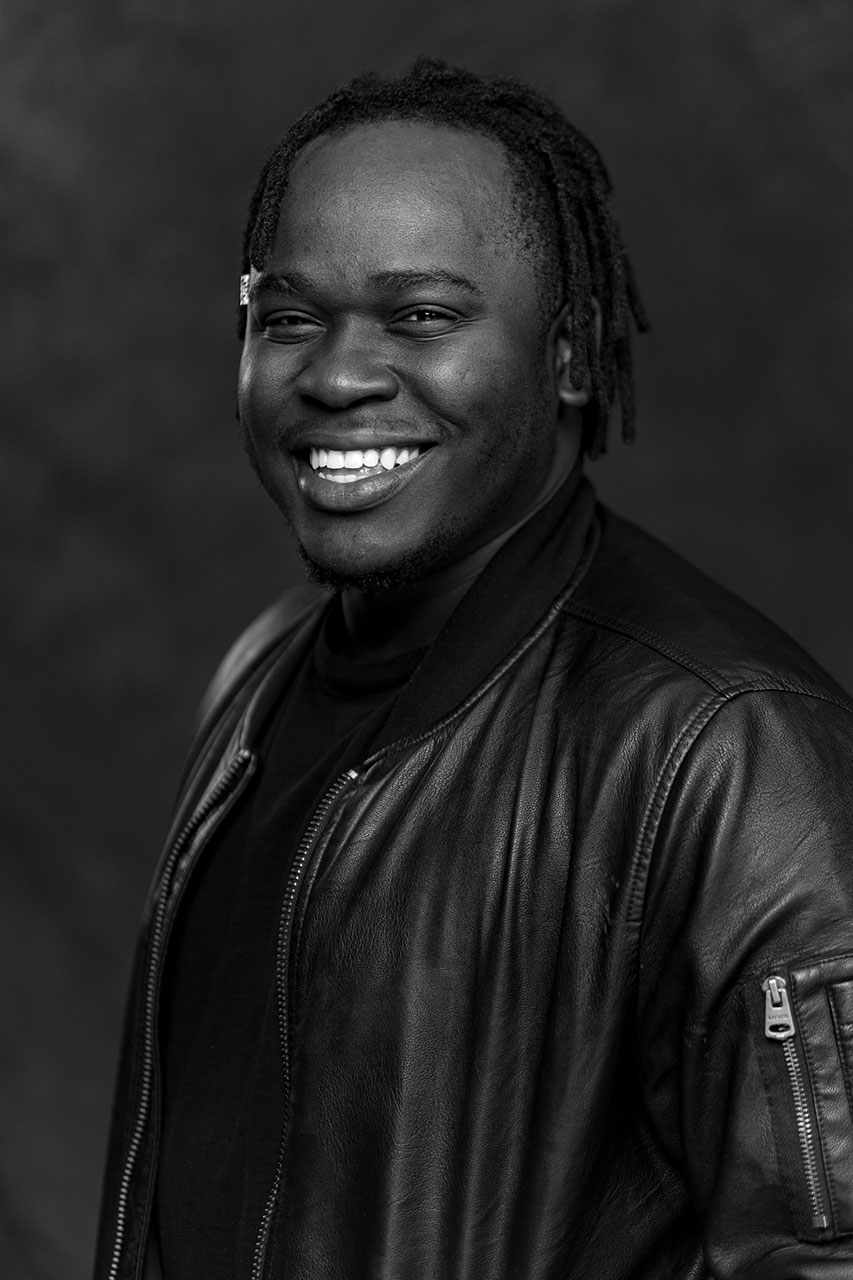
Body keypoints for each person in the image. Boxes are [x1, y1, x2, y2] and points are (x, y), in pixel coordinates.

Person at [95, 58, 853, 1280]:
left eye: (423, 317)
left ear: (566, 357)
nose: (338, 375)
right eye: (290, 316)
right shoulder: (261, 673)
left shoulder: (731, 751)